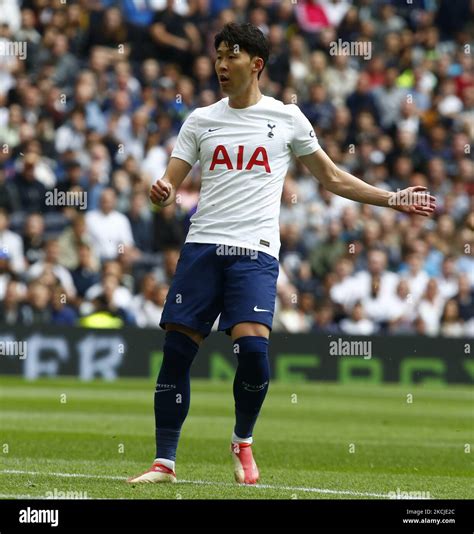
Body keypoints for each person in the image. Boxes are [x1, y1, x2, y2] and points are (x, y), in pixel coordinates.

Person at [128, 23, 436, 486]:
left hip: (254, 252)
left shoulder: (287, 118)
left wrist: (391, 198)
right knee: (176, 354)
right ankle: (164, 463)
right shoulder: (200, 120)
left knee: (253, 354)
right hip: (202, 247)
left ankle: (242, 440)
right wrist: (163, 191)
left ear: (255, 64)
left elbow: (331, 178)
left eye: (230, 56)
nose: (220, 65)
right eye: (217, 57)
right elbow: (168, 189)